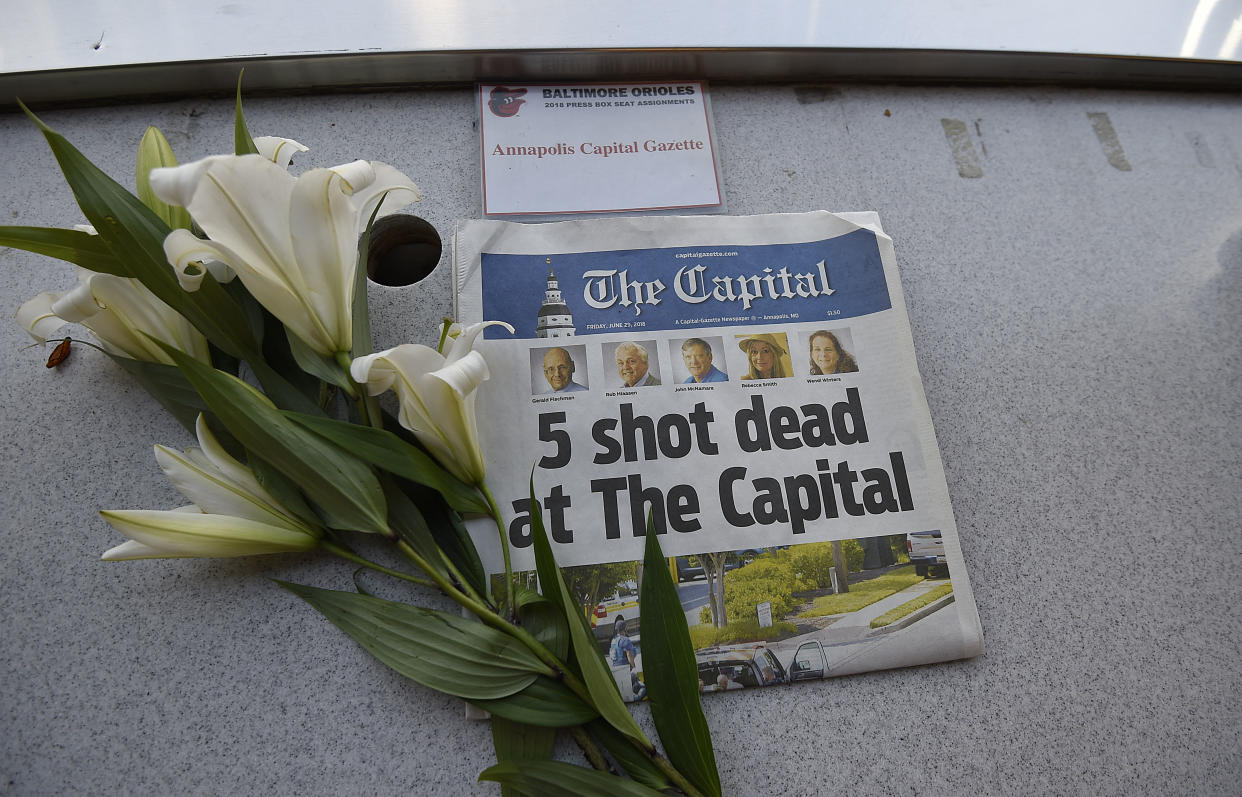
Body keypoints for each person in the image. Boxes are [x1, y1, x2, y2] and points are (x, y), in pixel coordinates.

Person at [609, 619, 646, 700]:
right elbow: (629, 655)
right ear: (625, 629)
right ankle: (635, 700)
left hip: (616, 672)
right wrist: (634, 668)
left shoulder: (613, 641)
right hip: (626, 671)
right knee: (643, 688)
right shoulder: (625, 640)